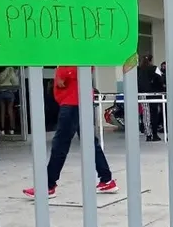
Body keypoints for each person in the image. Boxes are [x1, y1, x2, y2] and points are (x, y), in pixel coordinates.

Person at [22, 66, 119, 199]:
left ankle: (48, 185)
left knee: (61, 144)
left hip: (73, 101)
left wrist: (64, 74)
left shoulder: (75, 50)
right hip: (74, 99)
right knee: (88, 142)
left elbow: (87, 64)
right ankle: (106, 179)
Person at [136, 54, 163, 141]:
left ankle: (148, 134)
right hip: (154, 94)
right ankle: (154, 134)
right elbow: (161, 79)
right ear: (151, 60)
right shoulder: (155, 68)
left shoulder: (138, 70)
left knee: (146, 114)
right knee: (154, 114)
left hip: (143, 94)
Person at [0, 66, 20, 135]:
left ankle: (2, 130)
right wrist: (14, 89)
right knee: (10, 110)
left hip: (0, 93)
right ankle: (12, 129)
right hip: (9, 92)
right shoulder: (10, 70)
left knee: (2, 111)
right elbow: (15, 81)